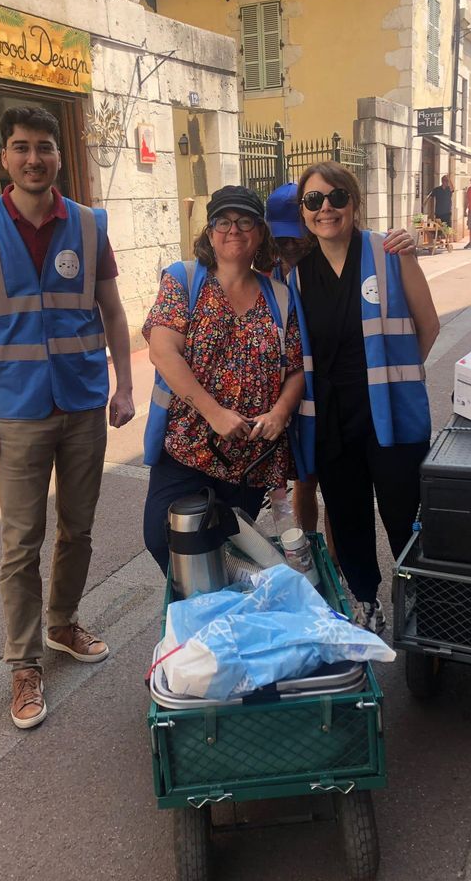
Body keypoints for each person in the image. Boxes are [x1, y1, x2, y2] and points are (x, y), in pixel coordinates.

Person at [0, 106, 135, 730]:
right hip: (17, 410)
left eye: (45, 147)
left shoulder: (88, 224)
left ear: (58, 155)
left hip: (81, 402)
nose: (34, 159)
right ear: (5, 157)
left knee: (78, 529)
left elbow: (113, 312)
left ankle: (62, 624)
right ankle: (24, 663)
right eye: (22, 147)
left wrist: (124, 385)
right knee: (20, 543)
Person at [287, 161, 439, 632]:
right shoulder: (298, 276)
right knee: (348, 515)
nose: (326, 209)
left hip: (390, 412)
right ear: (303, 212)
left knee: (403, 513)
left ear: (354, 202)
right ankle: (366, 600)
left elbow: (428, 324)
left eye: (336, 197)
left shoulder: (389, 251)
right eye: (314, 200)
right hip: (333, 418)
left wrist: (398, 378)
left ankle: (420, 598)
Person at [142, 185, 306, 574]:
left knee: (225, 547)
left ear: (260, 233)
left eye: (245, 221)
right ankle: (196, 601)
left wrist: (280, 413)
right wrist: (214, 413)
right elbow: (162, 351)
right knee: (164, 537)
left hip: (251, 455)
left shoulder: (280, 296)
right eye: (223, 221)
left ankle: (214, 606)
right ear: (210, 232)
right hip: (189, 445)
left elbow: (298, 367)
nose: (234, 230)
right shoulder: (184, 279)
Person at [265, 183, 338, 562]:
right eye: (281, 238)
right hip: (291, 397)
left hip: (333, 393)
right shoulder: (267, 278)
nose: (290, 245)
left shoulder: (333, 267)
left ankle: (337, 565)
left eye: (296, 236)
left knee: (338, 488)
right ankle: (311, 557)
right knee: (304, 482)